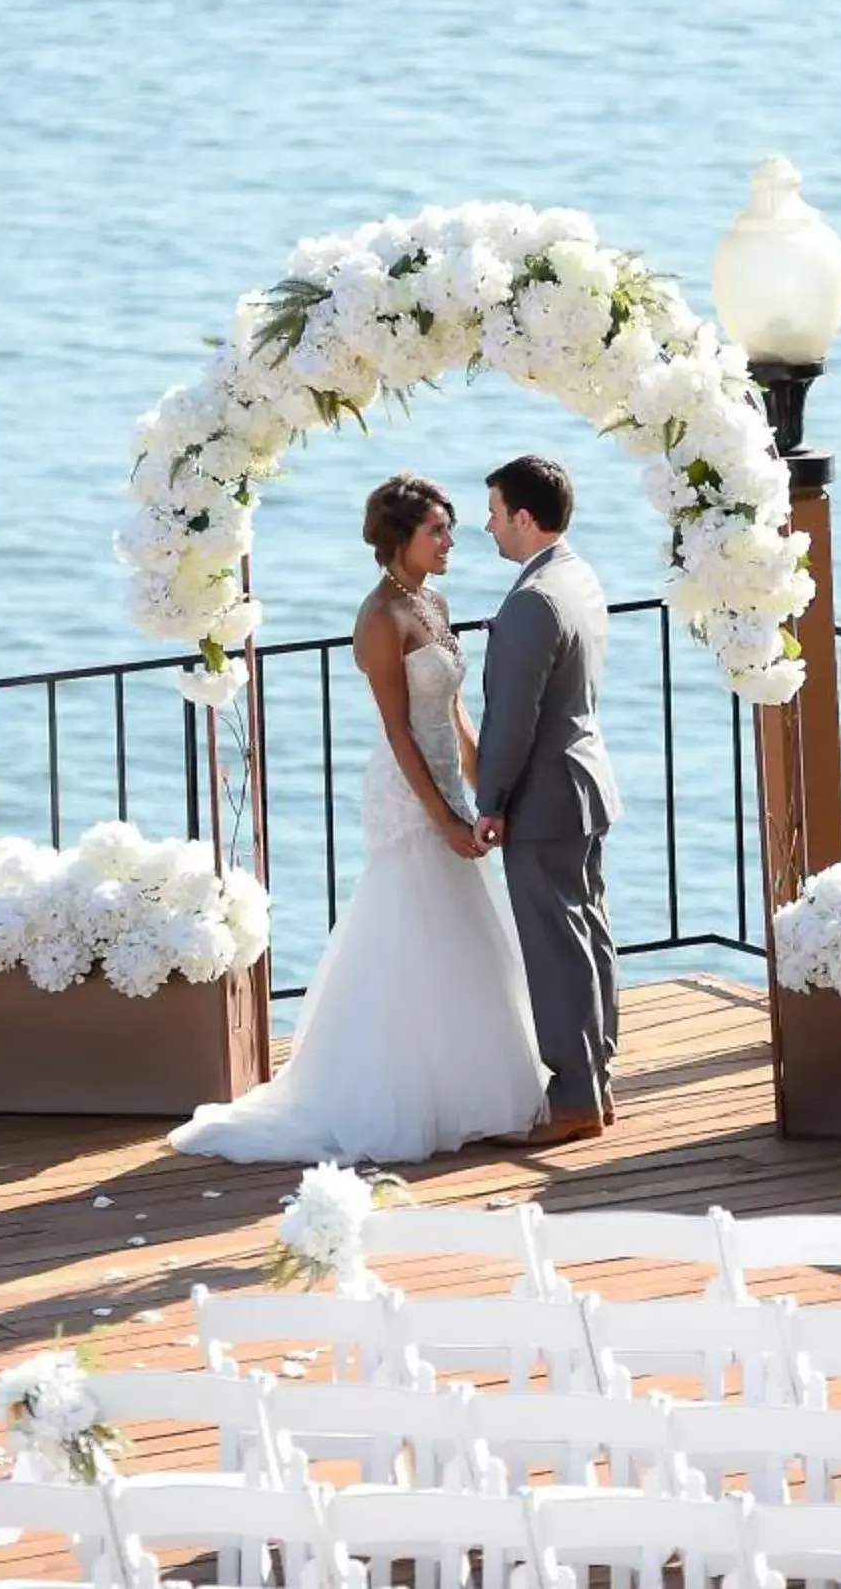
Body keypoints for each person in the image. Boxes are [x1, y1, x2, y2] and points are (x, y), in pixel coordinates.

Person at [166, 474, 550, 1164]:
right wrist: (442, 820)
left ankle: (469, 1090)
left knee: (463, 935)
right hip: (406, 796)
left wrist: (486, 792)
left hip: (447, 788)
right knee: (408, 933)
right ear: (400, 539)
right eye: (437, 531)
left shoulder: (432, 600)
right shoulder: (380, 618)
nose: (450, 541)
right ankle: (398, 1095)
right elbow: (401, 733)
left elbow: (456, 713)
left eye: (452, 529)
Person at [473, 454, 623, 1146]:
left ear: (525, 519)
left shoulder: (532, 601)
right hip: (585, 784)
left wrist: (491, 799)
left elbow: (513, 720)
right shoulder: (578, 575)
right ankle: (596, 1082)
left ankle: (573, 1100)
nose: (489, 526)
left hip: (544, 796)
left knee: (558, 948)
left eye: (497, 513)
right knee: (587, 935)